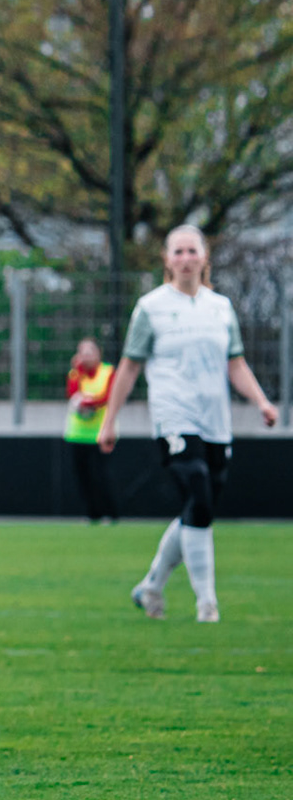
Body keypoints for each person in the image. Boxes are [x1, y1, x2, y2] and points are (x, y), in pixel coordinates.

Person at [98, 225, 280, 622]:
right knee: (196, 488)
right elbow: (129, 367)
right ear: (167, 259)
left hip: (216, 421)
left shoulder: (220, 307)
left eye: (191, 251)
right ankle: (207, 603)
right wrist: (109, 422)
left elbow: (235, 363)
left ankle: (151, 586)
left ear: (204, 257)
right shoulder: (151, 307)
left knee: (199, 508)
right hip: (174, 417)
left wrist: (262, 401)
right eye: (177, 252)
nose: (185, 259)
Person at [64, 338, 119, 522]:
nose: (86, 357)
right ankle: (92, 514)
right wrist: (78, 371)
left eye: (90, 352)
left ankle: (110, 514)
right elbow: (72, 394)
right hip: (78, 434)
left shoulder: (108, 371)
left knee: (101, 476)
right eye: (83, 353)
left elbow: (107, 396)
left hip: (100, 434)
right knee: (84, 477)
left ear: (98, 353)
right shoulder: (76, 373)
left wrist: (89, 402)